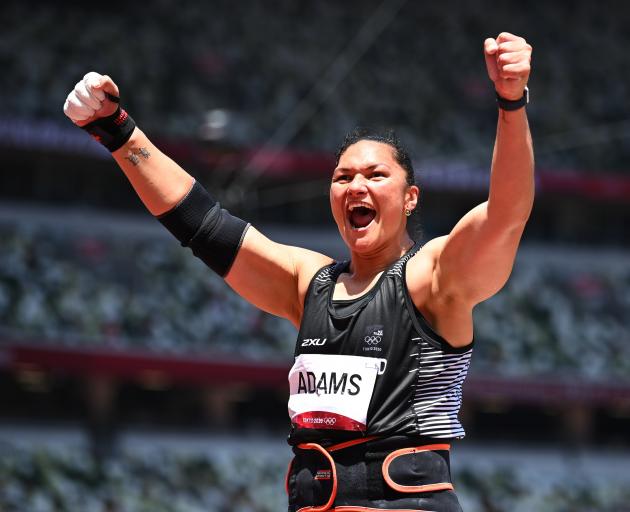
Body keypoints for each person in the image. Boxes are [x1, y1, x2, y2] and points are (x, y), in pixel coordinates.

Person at [63, 32, 533, 512]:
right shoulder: (310, 284)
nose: (356, 186)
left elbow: (506, 215)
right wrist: (119, 131)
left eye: (375, 175)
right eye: (342, 177)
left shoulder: (433, 278)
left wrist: (511, 102)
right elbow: (203, 225)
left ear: (410, 198)